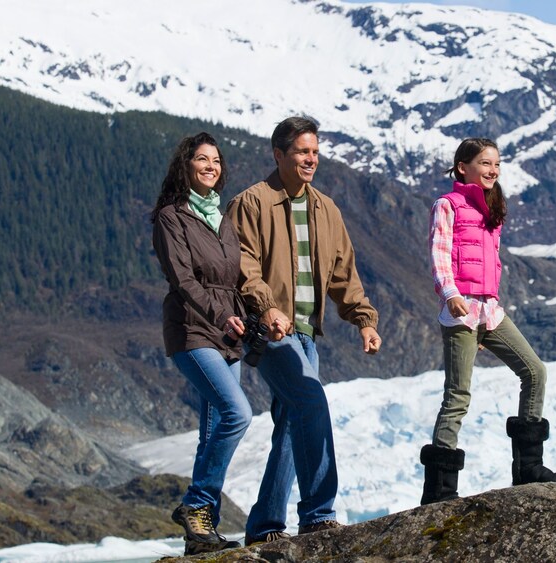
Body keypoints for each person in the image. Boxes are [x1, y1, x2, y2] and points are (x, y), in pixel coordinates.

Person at [226, 116, 382, 545]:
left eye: (315, 151)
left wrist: (363, 320)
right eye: (302, 151)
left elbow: (343, 275)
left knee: (295, 424)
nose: (311, 159)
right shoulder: (252, 203)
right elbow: (244, 266)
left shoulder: (325, 209)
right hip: (271, 332)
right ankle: (317, 514)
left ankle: (264, 527)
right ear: (279, 155)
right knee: (311, 403)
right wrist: (268, 308)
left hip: (308, 334)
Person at [420, 137, 556, 505]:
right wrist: (450, 294)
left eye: (496, 164)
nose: (492, 170)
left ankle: (528, 469)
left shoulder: (492, 207)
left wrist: (492, 306)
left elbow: (492, 263)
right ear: (462, 168)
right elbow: (439, 253)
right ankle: (439, 491)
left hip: (490, 311)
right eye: (485, 163)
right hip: (461, 312)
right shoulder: (447, 205)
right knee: (458, 396)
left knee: (534, 372)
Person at [151, 132, 251, 555]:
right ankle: (196, 503)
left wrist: (250, 315)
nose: (211, 166)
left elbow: (235, 276)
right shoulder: (171, 217)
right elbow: (183, 278)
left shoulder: (222, 217)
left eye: (216, 160)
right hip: (192, 328)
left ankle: (199, 533)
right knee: (237, 413)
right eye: (202, 159)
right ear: (186, 165)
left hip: (228, 331)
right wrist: (220, 314)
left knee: (211, 429)